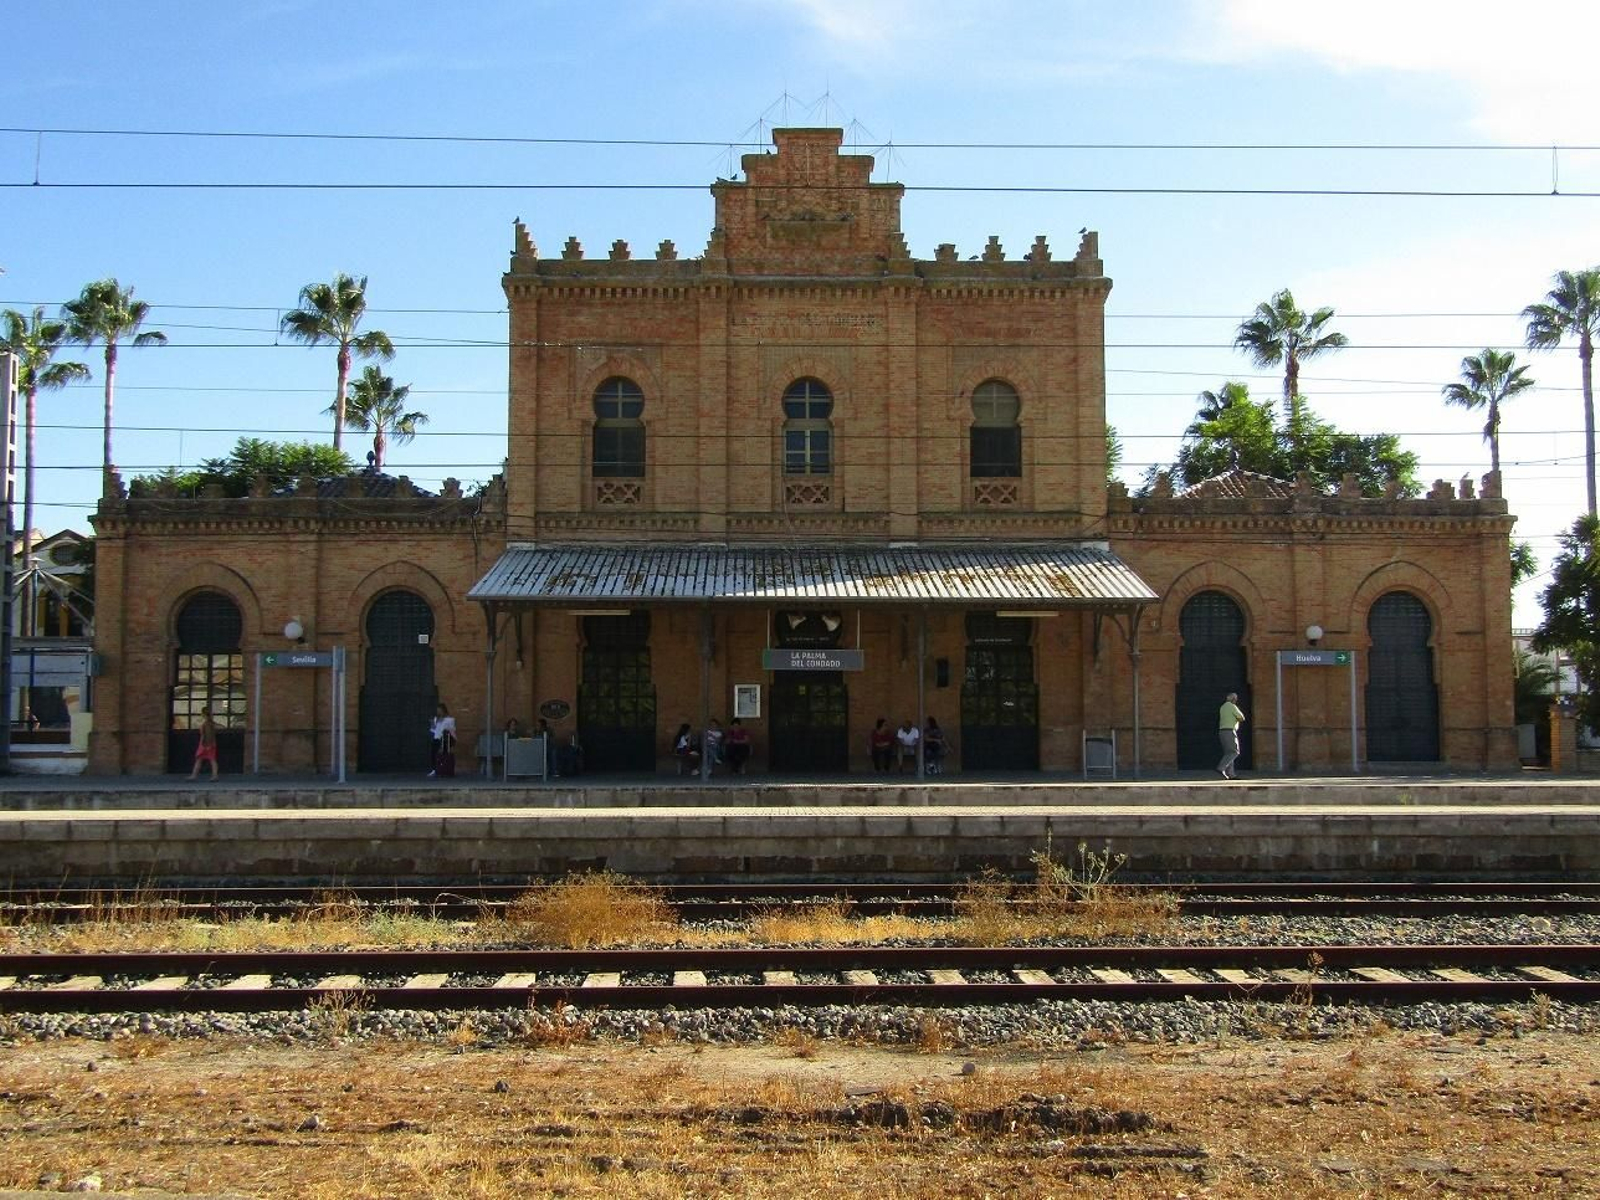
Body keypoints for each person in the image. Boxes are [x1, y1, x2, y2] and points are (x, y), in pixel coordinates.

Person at [1217, 691, 1246, 780]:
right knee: (1235, 752)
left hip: (1222, 732)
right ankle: (1221, 768)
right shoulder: (1232, 706)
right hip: (1230, 731)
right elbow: (1241, 717)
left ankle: (1231, 774)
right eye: (1235, 698)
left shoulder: (1222, 707)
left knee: (1228, 753)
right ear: (1232, 699)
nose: (1235, 700)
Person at [187, 706, 219, 781]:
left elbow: (207, 735)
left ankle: (194, 775)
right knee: (211, 759)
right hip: (210, 744)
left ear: (203, 714)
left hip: (205, 744)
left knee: (201, 759)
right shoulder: (211, 723)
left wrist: (206, 745)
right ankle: (214, 775)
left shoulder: (206, 723)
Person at [429, 703, 457, 778]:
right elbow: (433, 730)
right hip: (436, 738)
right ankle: (434, 769)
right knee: (433, 753)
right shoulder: (436, 719)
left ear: (444, 710)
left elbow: (452, 730)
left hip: (445, 739)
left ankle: (444, 769)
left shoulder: (450, 719)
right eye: (438, 710)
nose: (439, 712)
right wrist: (433, 725)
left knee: (444, 754)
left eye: (440, 710)